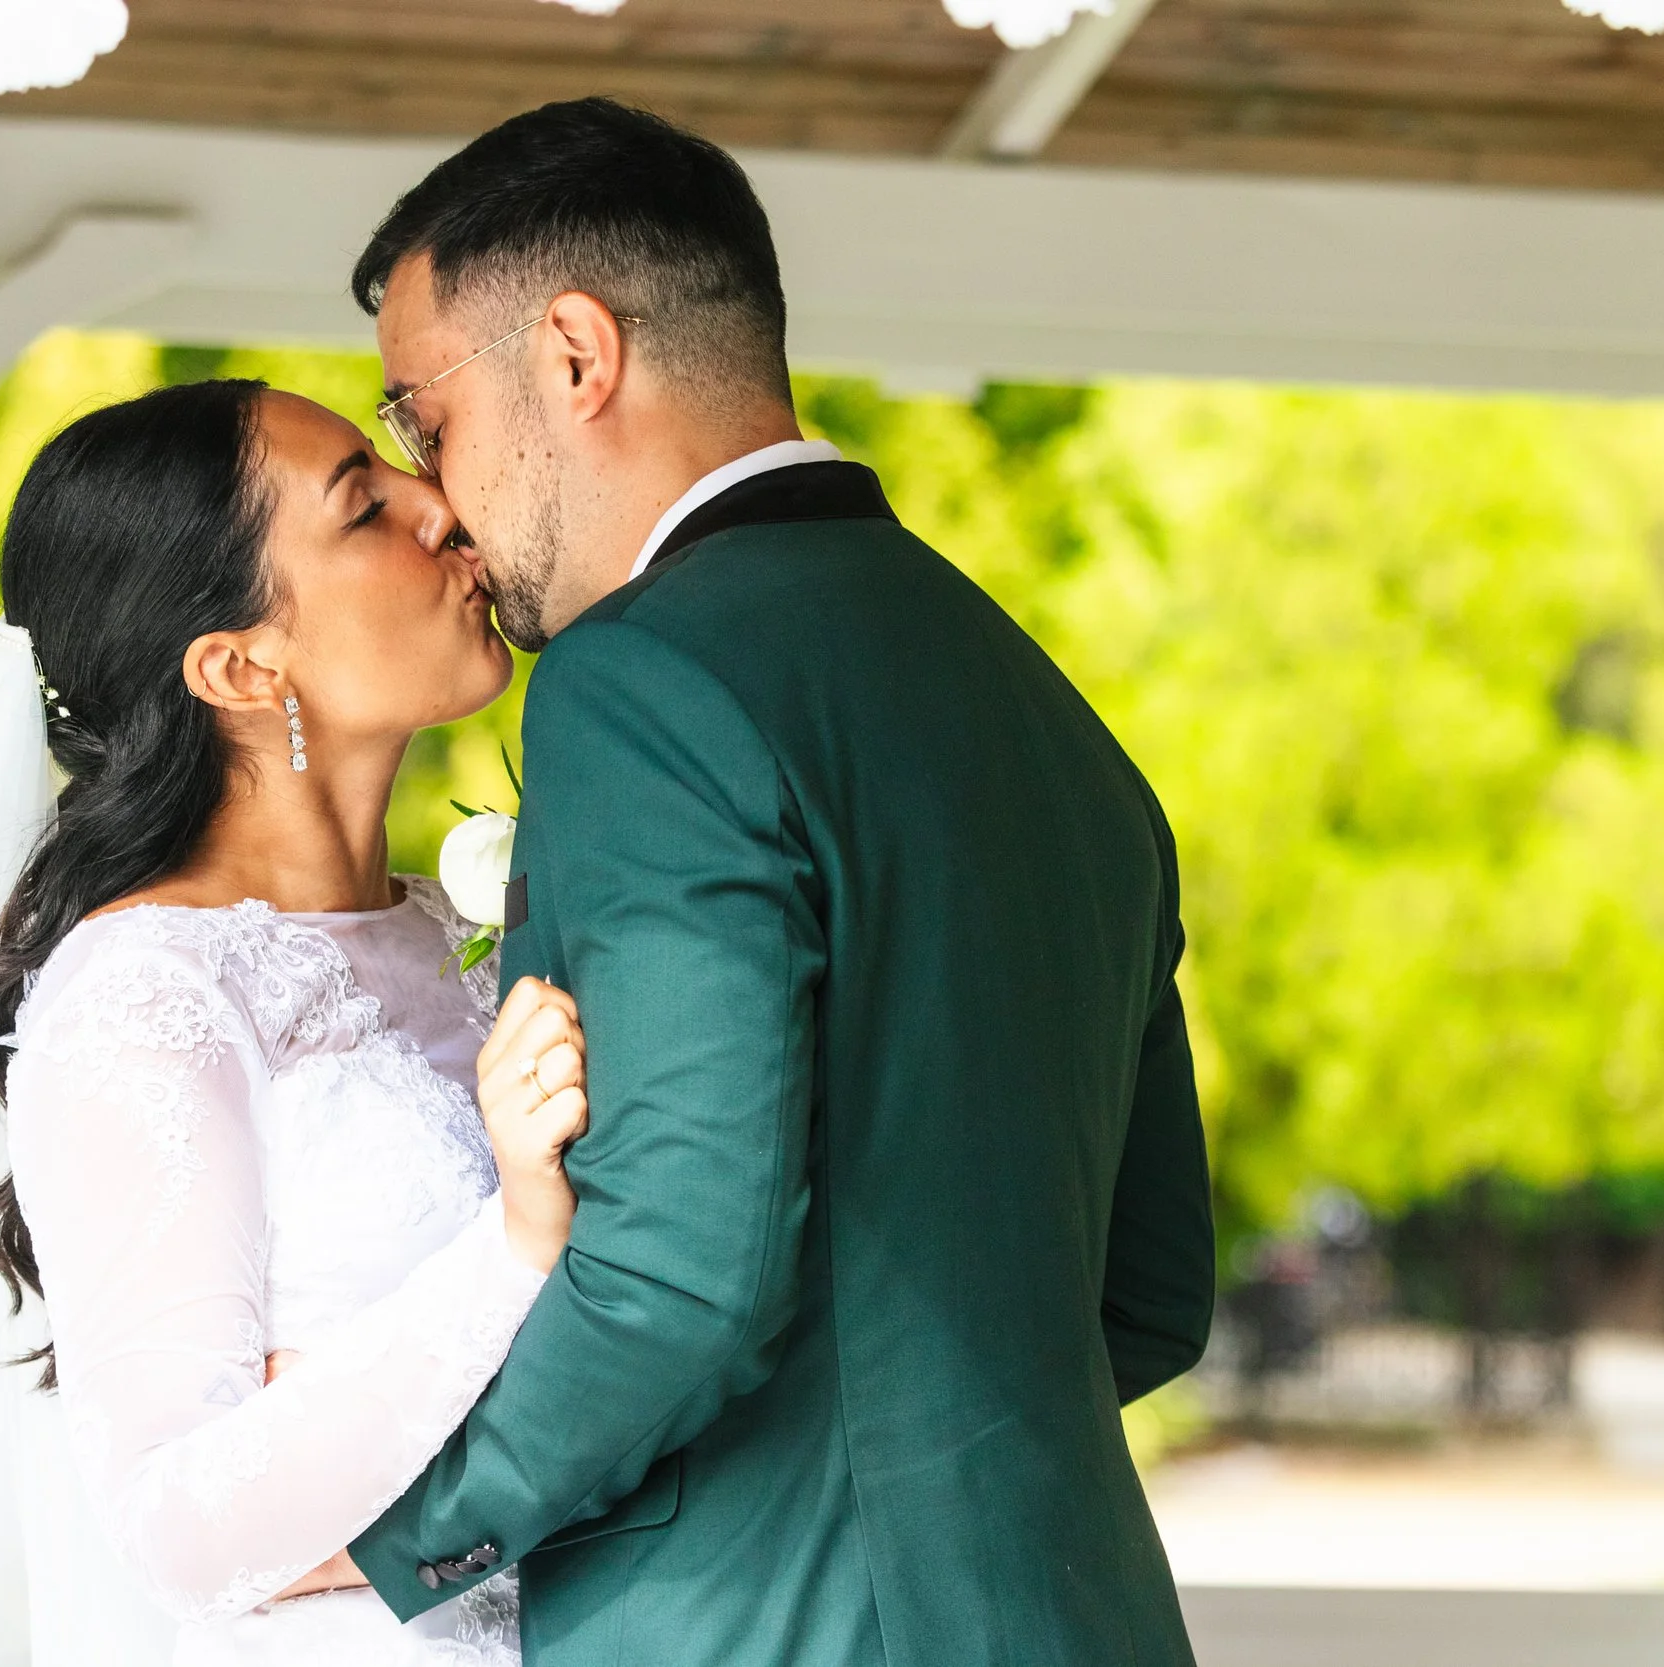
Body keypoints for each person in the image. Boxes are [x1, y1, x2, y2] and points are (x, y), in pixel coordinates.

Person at [334, 98, 1216, 1667]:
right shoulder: (1046, 709)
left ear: (577, 354)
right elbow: (1149, 1295)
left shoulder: (642, 681)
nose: (441, 500)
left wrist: (410, 1532)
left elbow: (682, 1267)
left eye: (424, 419)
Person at [0, 378, 588, 1665]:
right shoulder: (147, 993)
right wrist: (514, 1244)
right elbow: (180, 1524)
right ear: (239, 665)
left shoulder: (453, 930)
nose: (439, 504)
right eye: (364, 506)